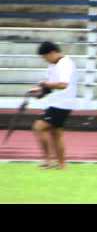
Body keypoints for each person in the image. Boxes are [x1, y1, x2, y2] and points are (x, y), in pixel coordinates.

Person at [29, 42, 78, 170]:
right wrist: (38, 92)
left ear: (52, 53)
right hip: (55, 103)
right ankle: (62, 164)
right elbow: (49, 86)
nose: (45, 60)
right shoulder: (52, 65)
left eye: (45, 57)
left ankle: (48, 161)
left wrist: (45, 85)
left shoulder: (65, 63)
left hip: (62, 104)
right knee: (56, 133)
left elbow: (63, 85)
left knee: (39, 127)